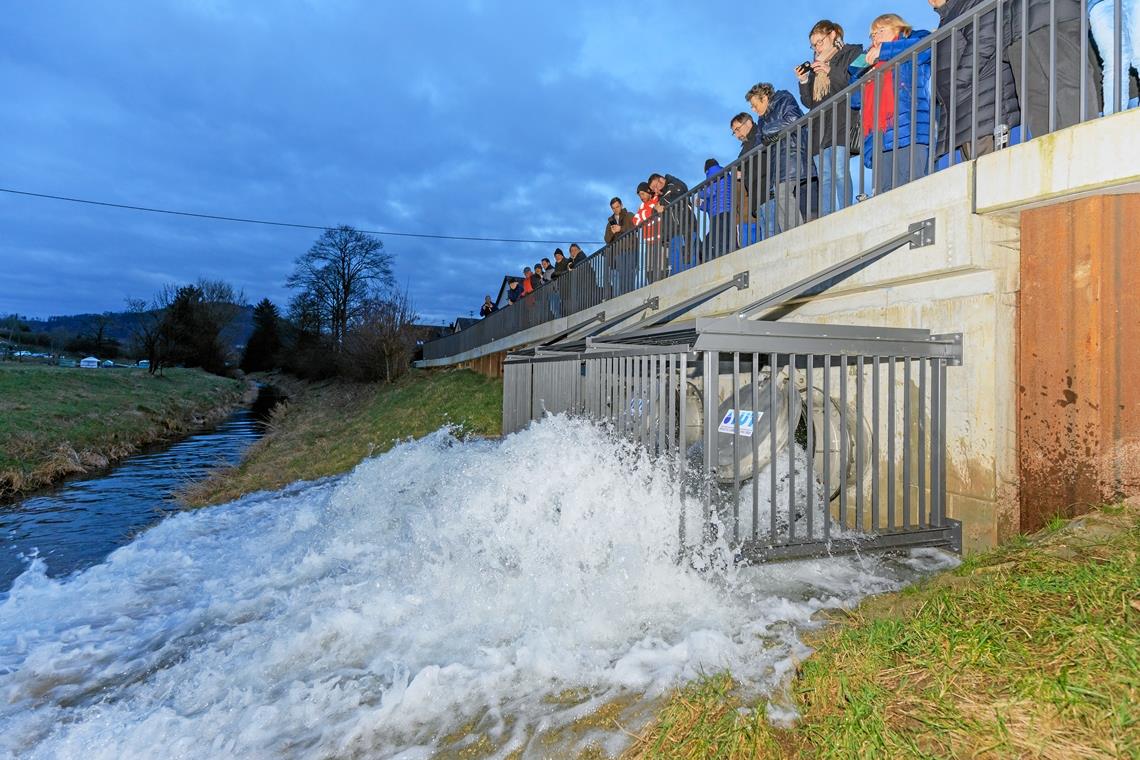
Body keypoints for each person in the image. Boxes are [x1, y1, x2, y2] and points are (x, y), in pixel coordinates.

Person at [853, 14, 933, 194]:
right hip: (880, 138)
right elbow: (854, 99)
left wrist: (884, 51)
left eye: (881, 30)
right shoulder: (869, 62)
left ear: (898, 28)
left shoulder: (914, 38)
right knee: (885, 194)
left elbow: (927, 46)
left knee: (913, 186)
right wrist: (864, 77)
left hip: (909, 131)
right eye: (873, 34)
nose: (876, 37)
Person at [930, 0, 1020, 160]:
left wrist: (957, 83)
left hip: (984, 108)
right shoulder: (948, 17)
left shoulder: (969, 3)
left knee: (990, 173)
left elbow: (984, 41)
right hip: (965, 113)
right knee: (975, 178)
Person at [1002, 0, 1099, 136]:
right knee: (1034, 101)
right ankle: (1052, 153)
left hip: (1053, 13)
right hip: (1018, 28)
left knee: (1069, 87)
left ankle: (1085, 145)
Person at [796, 19, 864, 214]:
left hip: (841, 119)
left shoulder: (851, 52)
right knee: (824, 175)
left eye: (820, 41)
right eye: (813, 45)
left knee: (840, 171)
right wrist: (804, 80)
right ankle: (827, 215)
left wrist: (830, 71)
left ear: (833, 35)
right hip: (819, 125)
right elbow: (809, 102)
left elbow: (853, 81)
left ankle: (845, 212)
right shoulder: (815, 65)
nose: (817, 48)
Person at [746, 82, 815, 233]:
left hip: (792, 152)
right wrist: (767, 134)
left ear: (763, 97)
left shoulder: (783, 98)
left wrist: (767, 131)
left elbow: (793, 118)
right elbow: (760, 141)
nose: (753, 109)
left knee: (783, 193)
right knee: (779, 197)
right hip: (777, 160)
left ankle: (796, 232)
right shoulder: (762, 118)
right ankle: (787, 235)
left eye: (754, 104)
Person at [1089, 0, 1139, 115]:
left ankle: (1113, 119)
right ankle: (1113, 122)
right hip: (1098, 3)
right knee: (1115, 63)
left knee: (1116, 63)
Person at [730, 112, 765, 245]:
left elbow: (762, 163)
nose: (737, 135)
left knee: (770, 230)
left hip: (765, 190)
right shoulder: (745, 147)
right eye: (734, 132)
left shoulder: (760, 136)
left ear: (749, 123)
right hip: (756, 194)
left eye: (738, 130)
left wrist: (743, 174)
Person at [648, 172, 693, 271]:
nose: (655, 191)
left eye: (655, 186)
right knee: (676, 267)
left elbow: (678, 196)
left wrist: (661, 205)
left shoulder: (674, 185)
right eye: (653, 190)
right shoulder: (664, 194)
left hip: (685, 230)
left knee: (687, 264)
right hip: (673, 234)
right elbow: (654, 211)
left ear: (662, 180)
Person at [697, 158, 733, 261]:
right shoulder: (723, 173)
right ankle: (712, 258)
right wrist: (701, 206)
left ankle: (719, 258)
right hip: (721, 210)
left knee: (719, 237)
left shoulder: (714, 173)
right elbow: (711, 201)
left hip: (721, 211)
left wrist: (699, 193)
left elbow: (710, 192)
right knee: (717, 237)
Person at [632, 181, 663, 284]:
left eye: (643, 194)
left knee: (661, 266)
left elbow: (649, 214)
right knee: (649, 269)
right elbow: (635, 221)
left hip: (659, 239)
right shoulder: (642, 206)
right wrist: (647, 214)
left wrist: (644, 214)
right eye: (639, 195)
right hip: (648, 242)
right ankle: (652, 288)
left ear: (649, 192)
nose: (641, 197)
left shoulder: (657, 199)